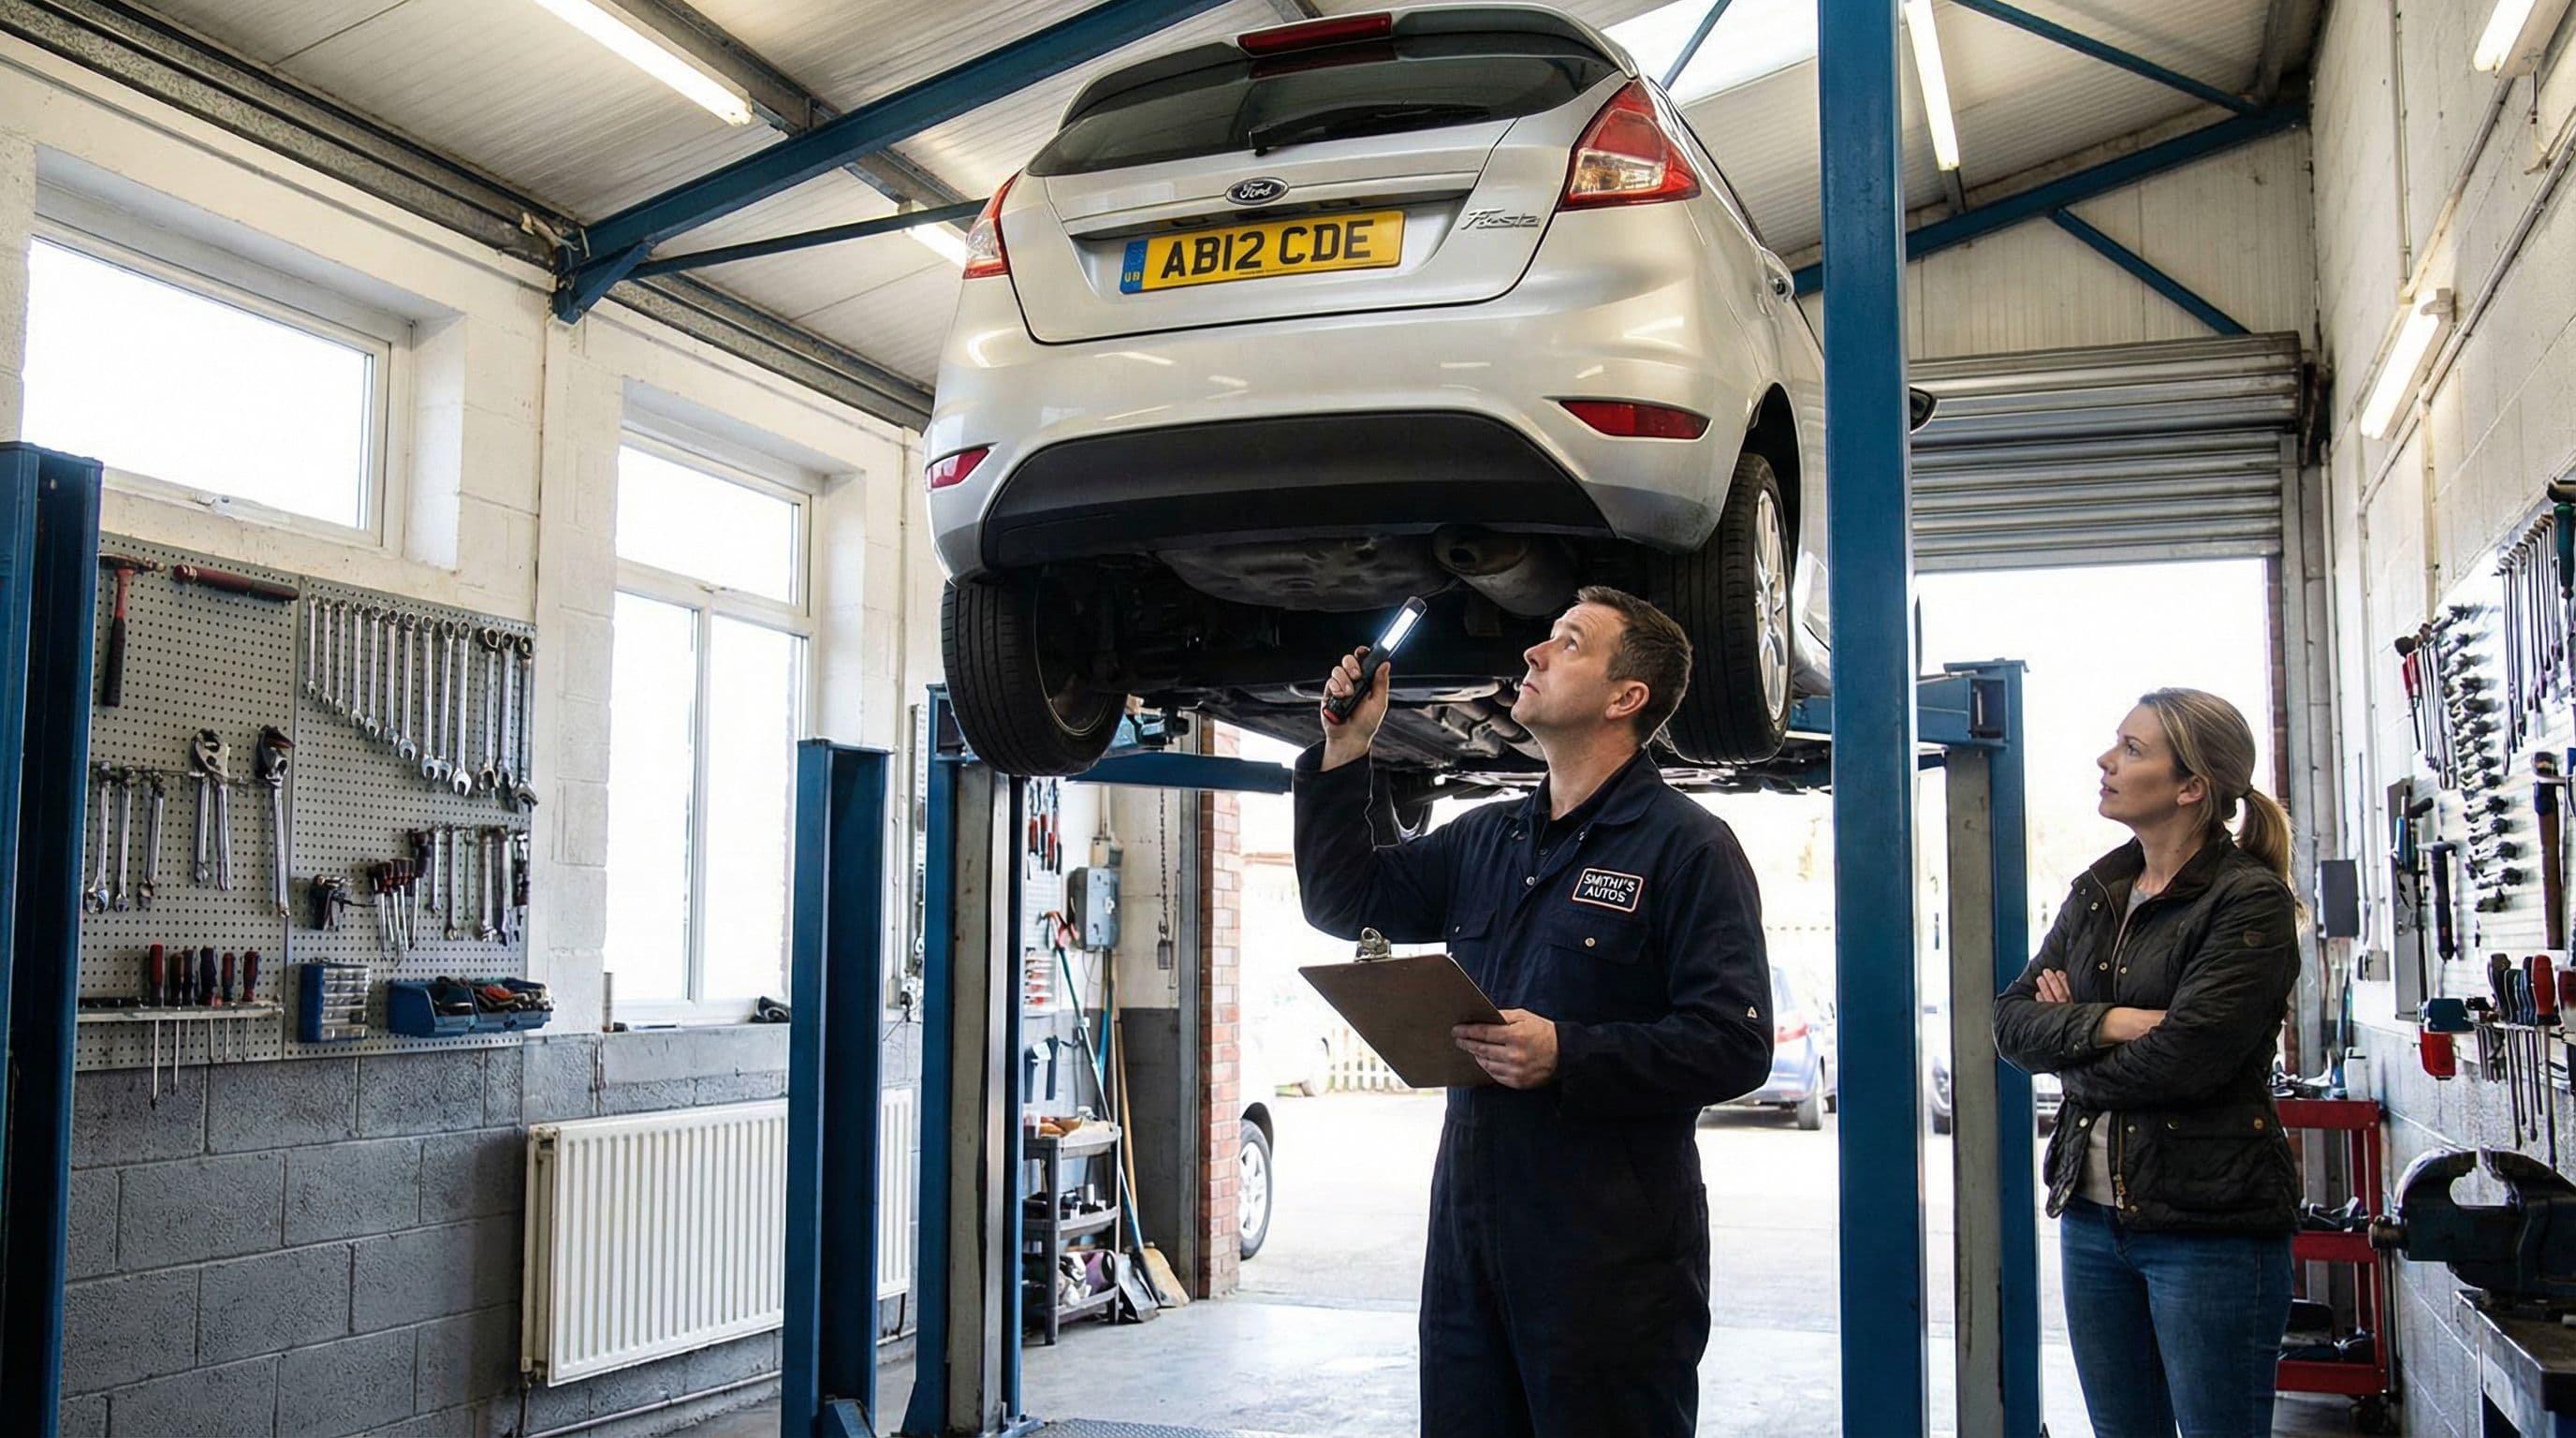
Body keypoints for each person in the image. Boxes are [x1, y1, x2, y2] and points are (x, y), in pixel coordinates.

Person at [1292, 586, 1774, 1438]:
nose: (1533, 654)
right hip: (1472, 1242)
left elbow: (1733, 1045)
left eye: (1569, 644)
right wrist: (1345, 748)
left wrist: (1571, 1054)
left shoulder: (1689, 848)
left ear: (1628, 698)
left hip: (1611, 1260)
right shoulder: (1487, 841)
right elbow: (1348, 898)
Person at [1993, 688, 2302, 1438]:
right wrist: (2111, 1023)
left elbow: (2181, 1061)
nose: (2107, 760)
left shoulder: (2247, 902)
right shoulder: (2102, 892)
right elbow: (2010, 1023)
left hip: (2210, 1228)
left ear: (2191, 786)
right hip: (2095, 1222)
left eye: (2133, 749)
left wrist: (2070, 1037)